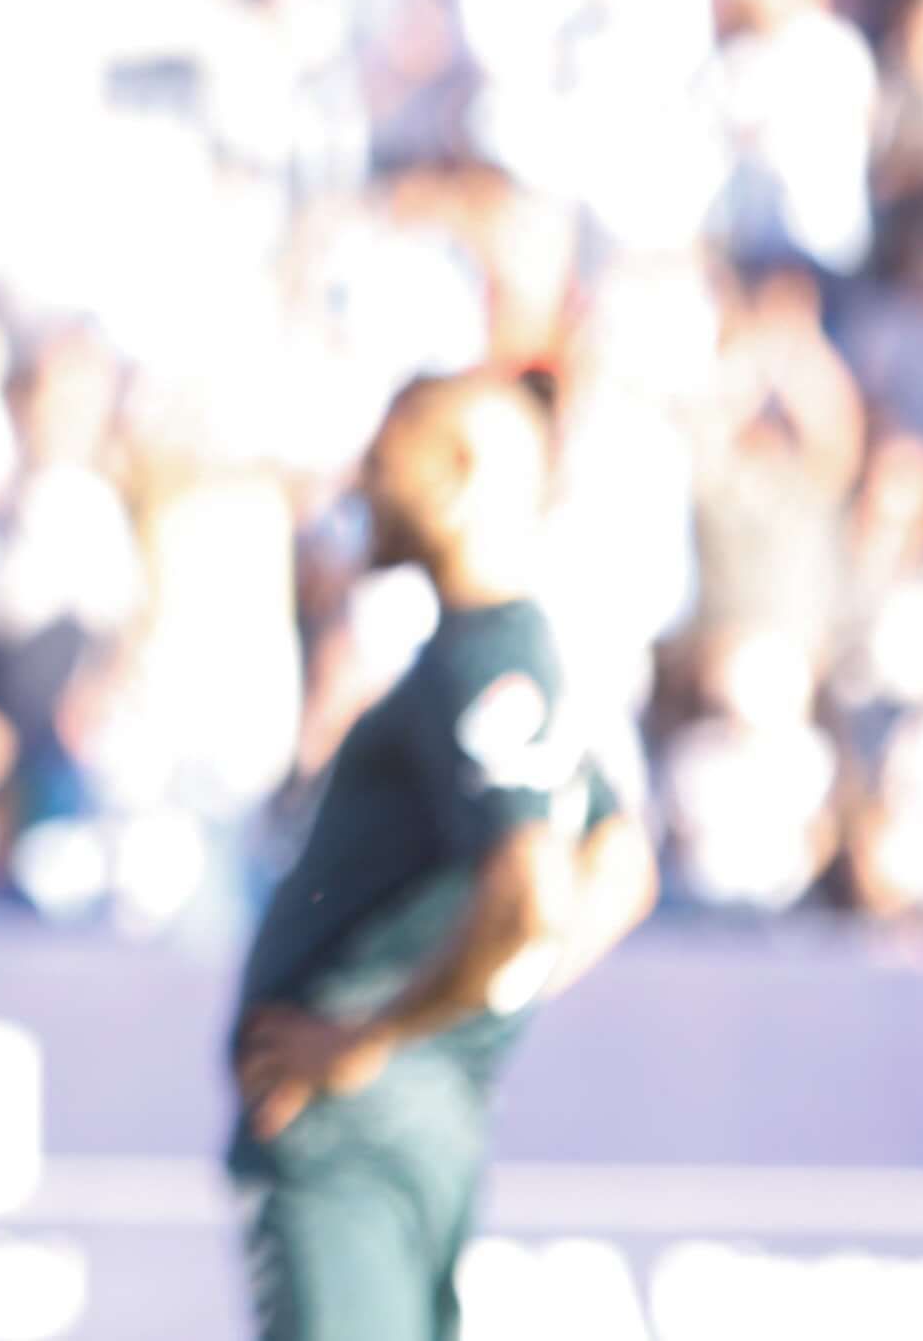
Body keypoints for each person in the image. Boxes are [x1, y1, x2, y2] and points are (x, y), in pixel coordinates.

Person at [228, 373, 659, 1341]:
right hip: (412, 1117)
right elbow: (618, 865)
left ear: (461, 473)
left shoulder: (484, 658)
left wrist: (378, 1036)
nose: (363, 484)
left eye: (387, 460)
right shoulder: (510, 660)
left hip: (355, 1134)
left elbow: (534, 897)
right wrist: (458, 1029)